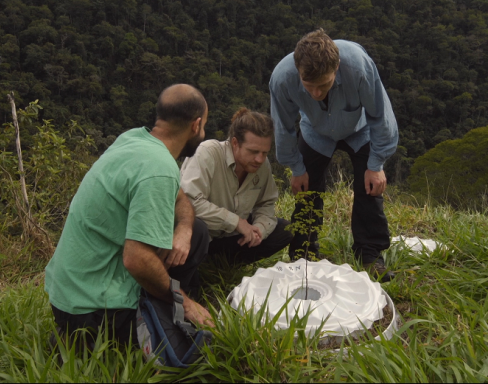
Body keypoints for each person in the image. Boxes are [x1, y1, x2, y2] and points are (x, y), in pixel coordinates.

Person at [44, 84, 214, 350]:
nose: (202, 133)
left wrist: (184, 229)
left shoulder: (135, 139)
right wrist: (185, 303)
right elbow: (136, 260)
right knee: (196, 348)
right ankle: (86, 341)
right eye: (204, 127)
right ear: (196, 125)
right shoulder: (158, 168)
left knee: (199, 230)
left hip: (68, 291)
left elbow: (179, 197)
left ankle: (81, 333)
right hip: (92, 308)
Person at [269, 29, 399, 282]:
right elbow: (282, 127)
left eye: (325, 84)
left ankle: (370, 255)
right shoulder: (282, 79)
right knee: (307, 192)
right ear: (297, 71)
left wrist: (376, 163)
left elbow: (381, 115)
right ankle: (304, 254)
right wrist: (296, 168)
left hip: (358, 128)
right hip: (315, 130)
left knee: (369, 188)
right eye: (309, 86)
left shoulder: (359, 67)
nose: (317, 93)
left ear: (337, 67)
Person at [180, 107, 293, 265]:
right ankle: (201, 264)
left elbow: (266, 203)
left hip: (233, 237)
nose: (259, 159)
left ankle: (227, 264)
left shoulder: (262, 165)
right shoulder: (208, 153)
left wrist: (259, 229)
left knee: (285, 230)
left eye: (264, 153)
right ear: (235, 143)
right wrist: (236, 222)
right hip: (202, 236)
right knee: (197, 228)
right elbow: (188, 203)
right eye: (253, 151)